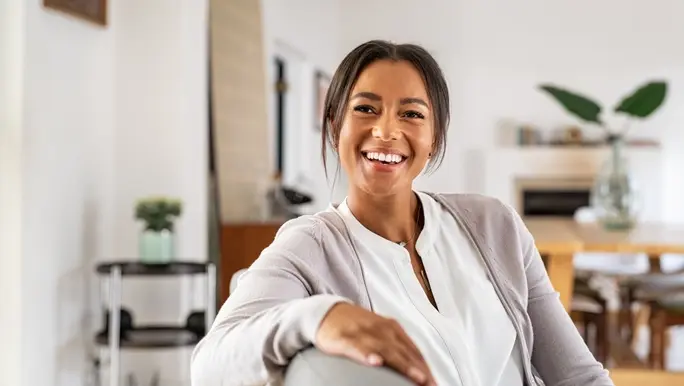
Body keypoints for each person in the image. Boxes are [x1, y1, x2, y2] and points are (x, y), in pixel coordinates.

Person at [191, 40, 614, 386]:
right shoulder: (310, 246)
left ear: (435, 136)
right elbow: (208, 366)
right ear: (335, 126)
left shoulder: (495, 225)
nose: (387, 131)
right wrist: (318, 316)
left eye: (412, 114)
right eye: (366, 108)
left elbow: (577, 376)